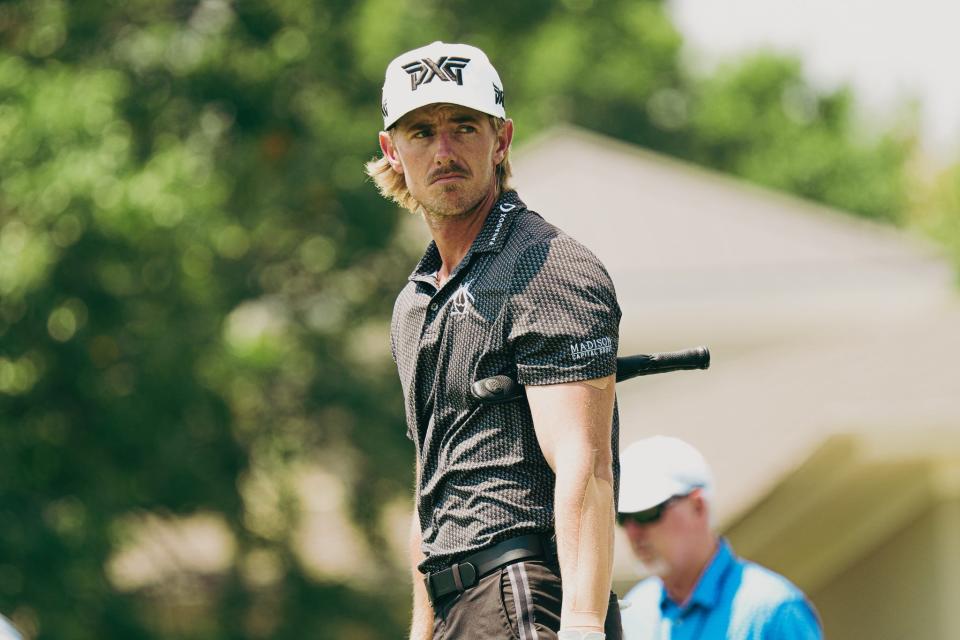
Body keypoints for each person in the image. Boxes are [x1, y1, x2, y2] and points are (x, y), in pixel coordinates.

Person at [366, 41, 623, 640]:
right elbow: (431, 484)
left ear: (501, 139)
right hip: (459, 603)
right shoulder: (414, 304)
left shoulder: (548, 267)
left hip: (528, 593)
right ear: (392, 151)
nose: (445, 150)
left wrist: (583, 624)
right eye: (422, 132)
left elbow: (586, 463)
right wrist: (423, 630)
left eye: (464, 126)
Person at [617, 436, 823, 639]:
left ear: (698, 506)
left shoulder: (774, 610)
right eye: (622, 517)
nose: (633, 531)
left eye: (646, 513)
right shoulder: (634, 612)